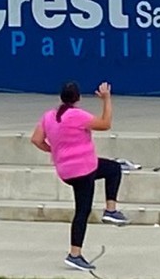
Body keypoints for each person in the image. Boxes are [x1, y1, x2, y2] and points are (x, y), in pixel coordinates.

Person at [30, 81, 129, 272]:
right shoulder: (77, 115)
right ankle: (76, 252)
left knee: (112, 168)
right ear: (79, 98)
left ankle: (110, 212)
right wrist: (107, 99)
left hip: (67, 171)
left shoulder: (49, 116)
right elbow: (105, 124)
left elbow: (36, 139)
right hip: (83, 170)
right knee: (84, 209)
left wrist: (54, 151)